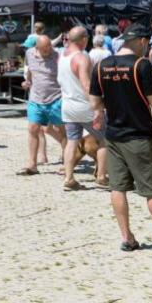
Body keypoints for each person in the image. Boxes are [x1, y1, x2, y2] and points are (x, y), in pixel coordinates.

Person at [89, 23, 152, 256]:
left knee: (118, 188)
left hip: (113, 136)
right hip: (140, 136)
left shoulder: (101, 65)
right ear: (143, 41)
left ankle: (127, 238)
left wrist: (115, 102)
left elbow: (95, 103)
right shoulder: (141, 65)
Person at [58, 27, 106, 190]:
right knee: (104, 140)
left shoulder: (62, 56)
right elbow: (87, 85)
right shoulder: (82, 58)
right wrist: (98, 108)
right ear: (84, 39)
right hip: (84, 106)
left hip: (68, 106)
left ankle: (69, 178)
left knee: (72, 142)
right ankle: (101, 176)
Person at [17, 36, 66, 176]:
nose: (48, 50)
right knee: (33, 129)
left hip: (56, 99)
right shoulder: (29, 54)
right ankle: (32, 164)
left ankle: (66, 163)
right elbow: (30, 71)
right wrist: (27, 81)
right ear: (37, 48)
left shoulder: (57, 55)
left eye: (49, 47)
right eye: (45, 49)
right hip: (35, 99)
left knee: (62, 131)